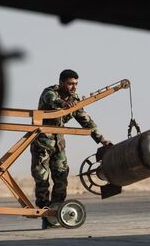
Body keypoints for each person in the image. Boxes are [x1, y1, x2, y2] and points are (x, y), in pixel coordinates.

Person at [31, 69, 111, 229]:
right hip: (42, 145)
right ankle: (45, 216)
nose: (74, 87)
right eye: (70, 84)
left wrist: (101, 139)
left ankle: (57, 213)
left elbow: (85, 120)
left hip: (59, 144)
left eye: (76, 84)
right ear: (61, 83)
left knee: (61, 178)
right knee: (42, 180)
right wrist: (65, 104)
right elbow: (54, 101)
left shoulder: (73, 99)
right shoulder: (49, 93)